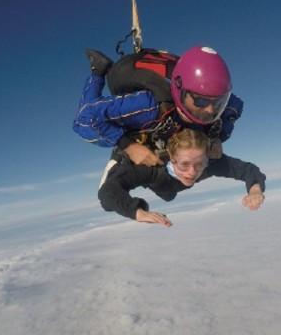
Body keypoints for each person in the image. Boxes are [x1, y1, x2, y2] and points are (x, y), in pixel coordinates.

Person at [73, 46, 244, 167]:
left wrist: (218, 137)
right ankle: (99, 69)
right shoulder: (148, 106)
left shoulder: (213, 99)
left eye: (218, 102)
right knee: (94, 121)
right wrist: (127, 145)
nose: (210, 110)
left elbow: (236, 105)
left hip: (175, 73)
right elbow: (85, 118)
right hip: (123, 72)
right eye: (200, 101)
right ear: (180, 91)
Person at [98, 129, 266, 227]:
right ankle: (118, 157)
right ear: (172, 158)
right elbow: (107, 192)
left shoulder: (209, 164)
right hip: (157, 178)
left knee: (169, 195)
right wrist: (137, 212)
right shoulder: (150, 168)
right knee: (107, 205)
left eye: (199, 164)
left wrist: (255, 190)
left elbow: (247, 170)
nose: (192, 172)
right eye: (184, 165)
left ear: (206, 159)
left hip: (169, 187)